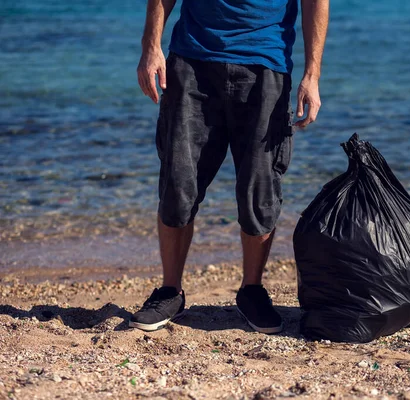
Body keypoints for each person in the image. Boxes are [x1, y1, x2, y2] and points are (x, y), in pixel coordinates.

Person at [128, 0, 329, 333]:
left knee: (259, 188)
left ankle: (252, 290)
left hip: (266, 65)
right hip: (192, 62)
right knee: (178, 184)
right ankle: (170, 291)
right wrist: (151, 47)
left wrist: (312, 74)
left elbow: (315, 3)